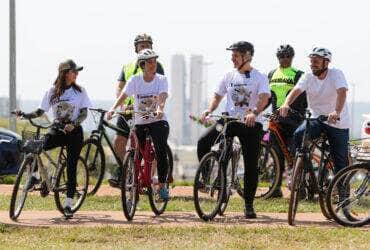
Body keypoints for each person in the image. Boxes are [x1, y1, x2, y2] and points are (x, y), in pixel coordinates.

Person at [197, 41, 270, 218]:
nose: (232, 58)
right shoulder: (228, 75)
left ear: (247, 56)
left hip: (250, 123)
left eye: (236, 55)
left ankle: (249, 204)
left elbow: (264, 98)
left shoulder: (259, 76)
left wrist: (254, 112)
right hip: (229, 120)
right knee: (203, 142)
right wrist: (209, 110)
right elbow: (217, 95)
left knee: (251, 164)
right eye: (232, 55)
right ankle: (207, 178)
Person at [15, 59, 92, 218]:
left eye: (77, 71)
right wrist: (24, 114)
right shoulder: (52, 92)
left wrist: (74, 123)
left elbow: (84, 113)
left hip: (74, 132)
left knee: (71, 166)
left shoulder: (80, 91)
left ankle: (69, 204)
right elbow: (39, 111)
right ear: (64, 73)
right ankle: (35, 176)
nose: (76, 74)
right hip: (57, 129)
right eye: (74, 71)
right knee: (36, 146)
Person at [107, 49, 170, 201]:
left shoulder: (161, 79)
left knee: (160, 150)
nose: (153, 64)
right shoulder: (135, 80)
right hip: (140, 122)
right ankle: (133, 187)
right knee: (136, 154)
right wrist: (113, 109)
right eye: (149, 61)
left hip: (157, 121)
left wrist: (160, 108)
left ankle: (161, 186)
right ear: (142, 65)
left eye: (154, 61)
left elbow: (162, 96)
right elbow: (124, 95)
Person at [280, 47, 350, 176]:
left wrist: (336, 112)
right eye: (311, 62)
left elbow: (342, 92)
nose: (312, 65)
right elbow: (296, 90)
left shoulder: (336, 74)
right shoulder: (307, 76)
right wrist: (285, 104)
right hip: (316, 119)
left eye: (316, 62)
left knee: (340, 161)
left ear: (326, 62)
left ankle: (343, 194)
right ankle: (302, 174)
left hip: (337, 121)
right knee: (299, 135)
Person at [267, 44, 307, 198]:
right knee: (275, 154)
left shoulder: (299, 74)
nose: (285, 59)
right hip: (276, 120)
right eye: (282, 56)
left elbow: (303, 96)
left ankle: (300, 188)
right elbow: (269, 97)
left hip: (293, 119)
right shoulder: (271, 74)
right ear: (278, 58)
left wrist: (299, 113)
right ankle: (275, 188)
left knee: (295, 154)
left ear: (292, 57)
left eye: (288, 56)